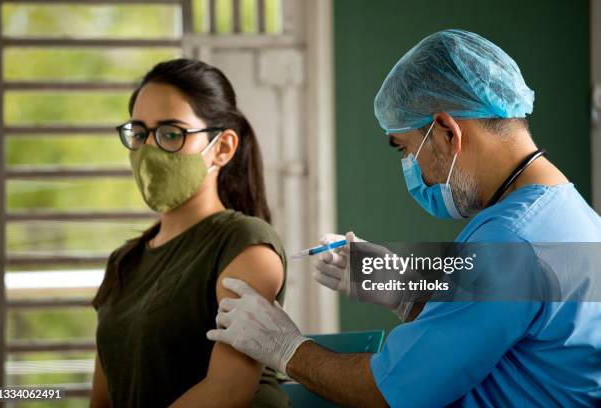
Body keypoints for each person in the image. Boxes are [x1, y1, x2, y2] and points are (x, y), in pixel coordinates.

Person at [205, 29, 601, 407]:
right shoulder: (570, 213)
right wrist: (409, 292)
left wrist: (286, 347)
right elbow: (500, 343)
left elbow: (386, 392)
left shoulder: (507, 243)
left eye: (406, 150)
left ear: (447, 130)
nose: (415, 171)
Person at [89, 58, 289, 407]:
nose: (148, 150)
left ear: (223, 148)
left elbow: (228, 392)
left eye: (171, 134)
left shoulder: (246, 245)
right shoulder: (124, 262)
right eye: (139, 133)